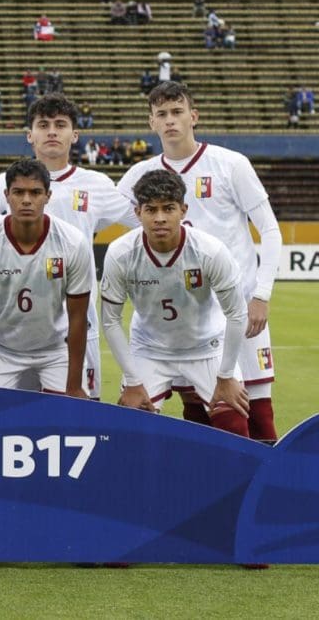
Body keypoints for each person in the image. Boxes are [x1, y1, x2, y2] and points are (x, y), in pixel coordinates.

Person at [0, 95, 139, 399]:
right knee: (5, 417)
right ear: (30, 135)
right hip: (11, 331)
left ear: (74, 135)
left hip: (76, 326)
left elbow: (144, 220)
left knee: (80, 417)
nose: (52, 131)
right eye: (43, 125)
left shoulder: (97, 185)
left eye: (60, 125)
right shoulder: (7, 183)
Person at [117, 82, 282, 442]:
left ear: (194, 116)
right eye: (162, 114)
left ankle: (266, 494)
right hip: (183, 318)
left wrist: (261, 294)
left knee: (255, 411)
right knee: (197, 412)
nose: (170, 120)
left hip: (237, 312)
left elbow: (270, 231)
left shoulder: (230, 165)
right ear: (152, 123)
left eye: (177, 112)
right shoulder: (138, 177)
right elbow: (100, 218)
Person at [101, 169, 250, 438]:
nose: (159, 218)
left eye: (168, 208)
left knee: (235, 426)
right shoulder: (120, 253)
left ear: (183, 210)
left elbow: (237, 314)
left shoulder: (210, 251)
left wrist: (226, 375)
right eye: (151, 210)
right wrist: (133, 382)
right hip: (150, 350)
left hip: (207, 348)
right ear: (138, 213)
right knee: (129, 429)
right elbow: (110, 320)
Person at [0, 158, 91, 398]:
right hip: (0, 349)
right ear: (6, 195)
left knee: (71, 420)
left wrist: (73, 386)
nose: (27, 200)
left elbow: (78, 317)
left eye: (35, 192)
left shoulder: (72, 242)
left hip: (54, 349)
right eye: (18, 192)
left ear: (48, 196)